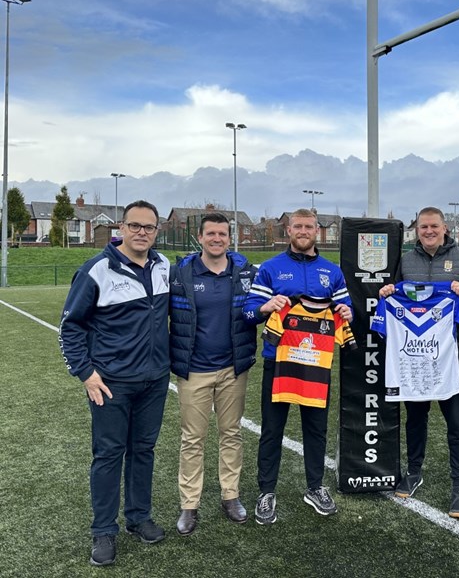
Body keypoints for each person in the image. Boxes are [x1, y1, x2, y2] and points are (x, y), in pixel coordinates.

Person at [58, 201, 170, 566]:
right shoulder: (97, 270)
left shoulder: (164, 266)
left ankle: (138, 518)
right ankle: (103, 530)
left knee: (144, 451)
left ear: (157, 231)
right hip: (111, 384)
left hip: (154, 381)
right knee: (108, 455)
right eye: (135, 225)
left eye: (149, 227)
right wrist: (86, 373)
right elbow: (70, 327)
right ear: (121, 227)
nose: (142, 232)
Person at [242, 208, 353, 522]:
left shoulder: (332, 272)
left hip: (316, 364)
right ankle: (266, 492)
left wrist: (346, 313)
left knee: (316, 430)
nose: (303, 231)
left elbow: (347, 312)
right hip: (277, 362)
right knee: (272, 430)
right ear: (288, 230)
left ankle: (315, 487)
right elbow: (248, 312)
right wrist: (267, 305)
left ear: (316, 231)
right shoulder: (271, 269)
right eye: (297, 226)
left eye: (308, 226)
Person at [378, 207, 459, 518]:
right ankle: (414, 472)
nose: (428, 231)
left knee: (457, 422)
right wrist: (387, 291)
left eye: (434, 226)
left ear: (444, 228)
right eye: (423, 227)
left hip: (452, 355)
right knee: (415, 418)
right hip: (414, 356)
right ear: (417, 230)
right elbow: (392, 294)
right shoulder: (405, 260)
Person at [169, 212, 258, 535]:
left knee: (231, 434)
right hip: (193, 370)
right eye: (211, 234)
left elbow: (260, 308)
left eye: (222, 234)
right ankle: (189, 505)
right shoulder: (181, 273)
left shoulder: (245, 272)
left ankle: (230, 496)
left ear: (229, 237)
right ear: (201, 237)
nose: (217, 239)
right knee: (192, 438)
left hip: (233, 369)